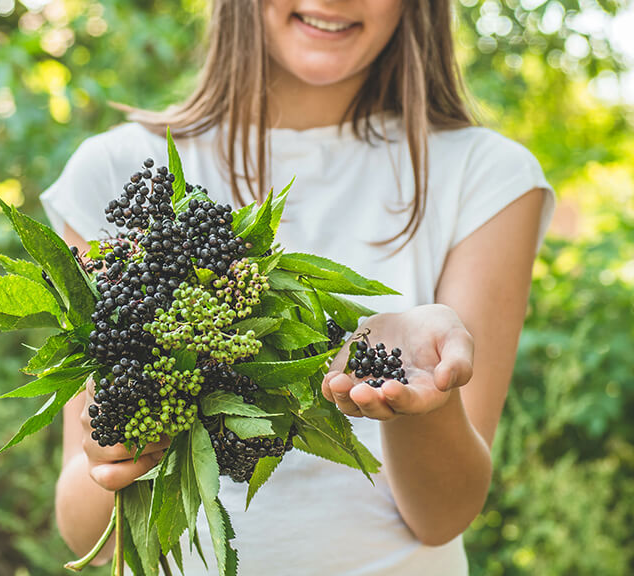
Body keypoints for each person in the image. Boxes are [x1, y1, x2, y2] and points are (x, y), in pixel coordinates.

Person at [41, 1, 555, 574]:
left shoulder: (486, 178)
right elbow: (86, 531)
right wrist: (123, 438)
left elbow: (443, 515)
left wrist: (424, 396)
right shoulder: (118, 170)